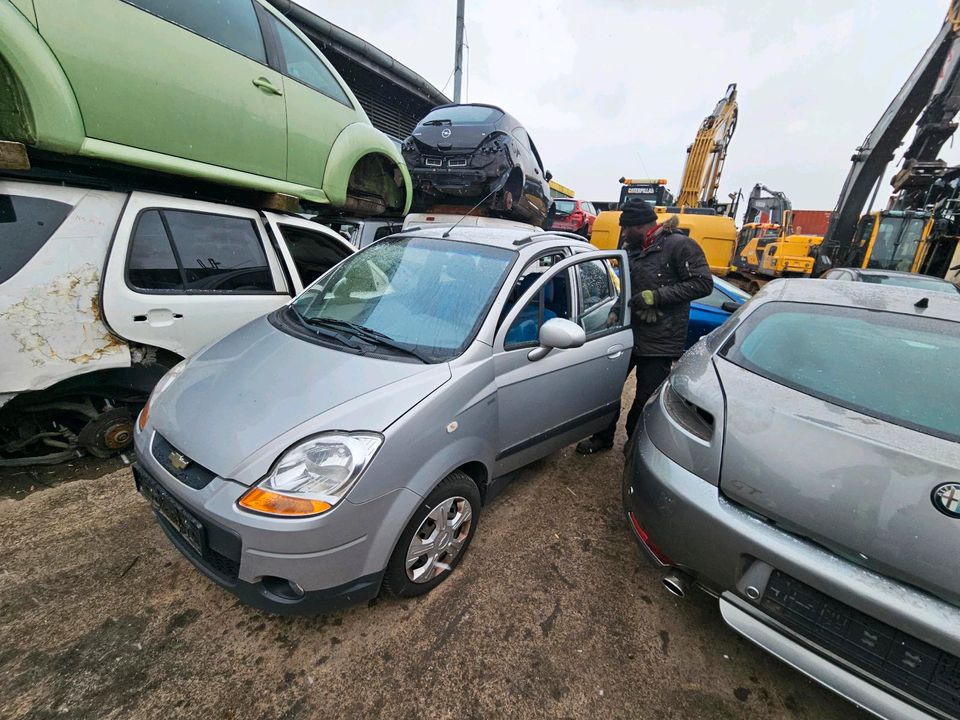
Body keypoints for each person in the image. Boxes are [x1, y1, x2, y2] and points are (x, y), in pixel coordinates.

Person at [576, 198, 713, 454]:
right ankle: (602, 437)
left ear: (641, 225)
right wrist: (616, 313)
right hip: (628, 334)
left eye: (627, 228)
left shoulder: (679, 245)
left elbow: (703, 284)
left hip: (661, 340)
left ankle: (635, 443)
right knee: (608, 389)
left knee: (644, 398)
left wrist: (657, 296)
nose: (624, 233)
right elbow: (626, 290)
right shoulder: (633, 251)